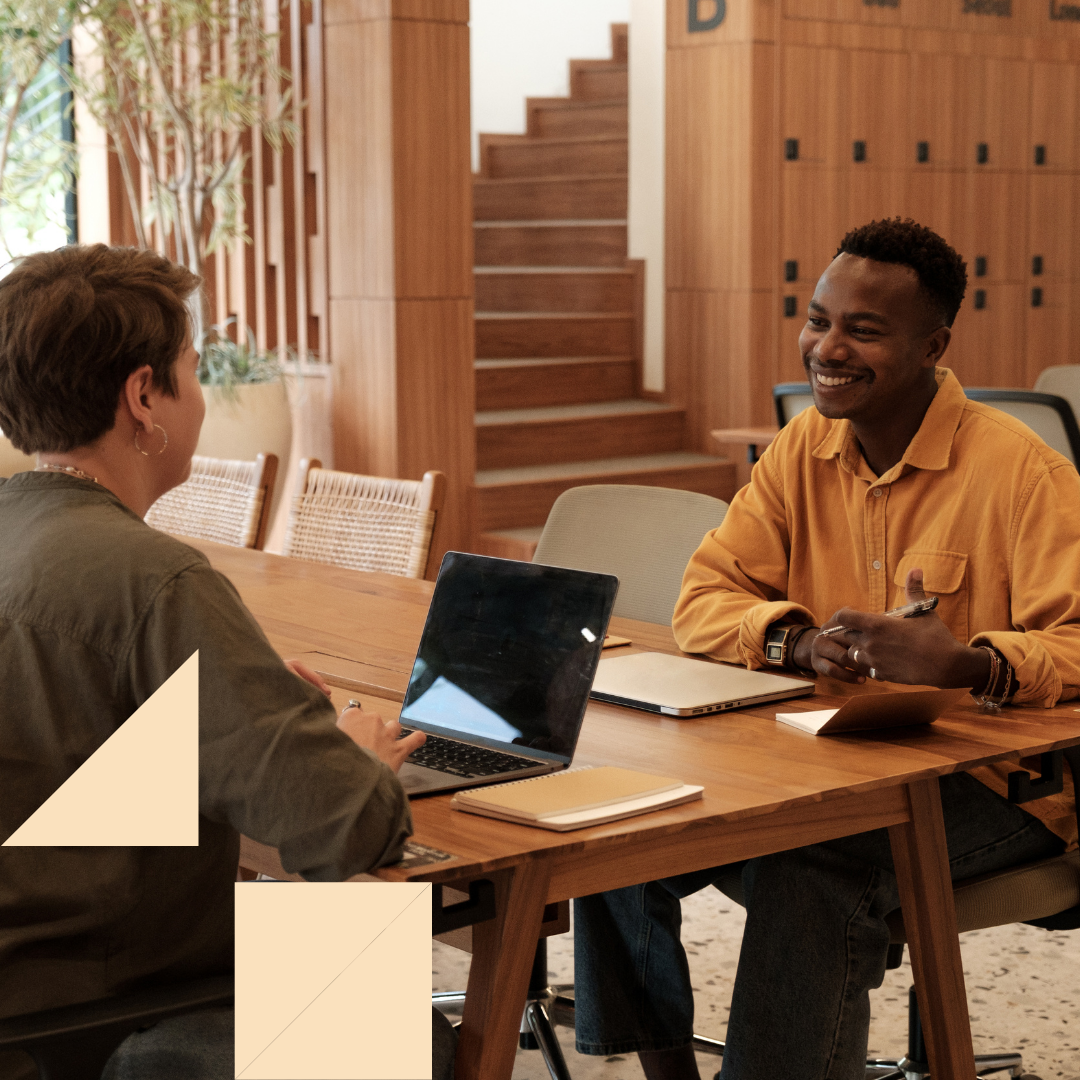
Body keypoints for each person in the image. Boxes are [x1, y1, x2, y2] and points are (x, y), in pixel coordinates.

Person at [572, 218, 1080, 1080]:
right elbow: (704, 595)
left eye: (864, 330)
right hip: (824, 763)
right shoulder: (803, 445)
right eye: (818, 319)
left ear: (934, 345)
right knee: (621, 820)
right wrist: (797, 641)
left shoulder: (1024, 473)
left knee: (817, 859)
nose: (827, 347)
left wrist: (969, 665)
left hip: (1000, 793)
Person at [0, 244, 454, 1080]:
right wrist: (350, 757)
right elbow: (347, 824)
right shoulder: (155, 579)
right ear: (144, 397)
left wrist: (228, 712)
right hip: (91, 1025)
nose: (203, 398)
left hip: (32, 999)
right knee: (402, 1016)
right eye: (193, 370)